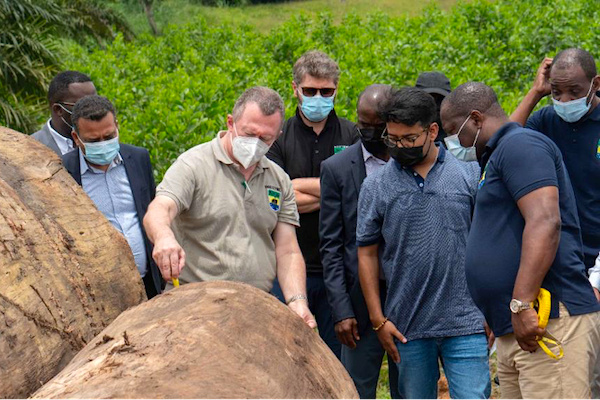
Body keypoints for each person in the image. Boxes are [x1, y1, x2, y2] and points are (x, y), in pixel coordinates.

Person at [441, 81, 600, 399]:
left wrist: (521, 302)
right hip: (515, 325)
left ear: (475, 119)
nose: (449, 142)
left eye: (452, 130)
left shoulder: (521, 146)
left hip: (545, 318)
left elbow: (545, 222)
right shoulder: (498, 156)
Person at [143, 86, 315, 328]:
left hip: (256, 305)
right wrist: (163, 237)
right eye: (248, 134)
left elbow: (288, 250)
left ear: (277, 135)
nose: (255, 144)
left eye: (265, 138)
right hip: (194, 304)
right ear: (231, 122)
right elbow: (160, 209)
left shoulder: (278, 179)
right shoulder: (193, 165)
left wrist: (297, 301)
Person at [357, 86, 490, 399]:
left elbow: (485, 242)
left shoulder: (469, 172)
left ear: (432, 131)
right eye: (393, 138)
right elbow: (366, 253)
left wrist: (491, 308)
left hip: (467, 321)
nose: (400, 146)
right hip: (407, 326)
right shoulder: (376, 184)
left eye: (409, 139)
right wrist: (378, 320)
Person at [267, 50, 358, 357]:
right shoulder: (278, 137)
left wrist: (295, 186)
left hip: (339, 271)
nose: (318, 97)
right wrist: (335, 192)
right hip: (288, 268)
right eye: (310, 91)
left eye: (326, 91)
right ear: (295, 89)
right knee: (287, 354)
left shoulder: (352, 134)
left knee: (338, 358)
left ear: (336, 89)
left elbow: (358, 192)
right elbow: (276, 199)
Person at [319, 84, 399, 398]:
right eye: (363, 126)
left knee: (409, 388)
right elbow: (332, 245)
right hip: (357, 304)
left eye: (377, 127)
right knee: (355, 389)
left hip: (404, 298)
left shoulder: (408, 160)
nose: (369, 133)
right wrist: (341, 310)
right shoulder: (336, 169)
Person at [62, 95, 162, 299]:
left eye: (108, 137)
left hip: (149, 283)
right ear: (76, 138)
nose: (103, 144)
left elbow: (150, 209)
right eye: (93, 141)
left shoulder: (139, 158)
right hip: (100, 293)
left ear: (116, 126)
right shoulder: (64, 172)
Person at [511, 49, 600, 273]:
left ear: (595, 84)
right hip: (559, 254)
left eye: (574, 92)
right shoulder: (546, 121)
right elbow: (504, 145)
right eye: (556, 92)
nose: (564, 100)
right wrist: (535, 92)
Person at [32, 71, 97, 155]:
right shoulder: (30, 147)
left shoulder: (103, 140)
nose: (93, 110)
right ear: (58, 109)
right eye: (83, 105)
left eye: (95, 102)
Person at [416, 71, 452, 145]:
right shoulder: (407, 127)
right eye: (427, 99)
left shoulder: (457, 129)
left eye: (439, 99)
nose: (434, 104)